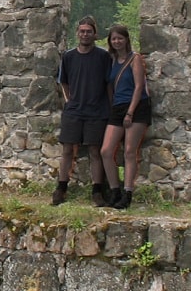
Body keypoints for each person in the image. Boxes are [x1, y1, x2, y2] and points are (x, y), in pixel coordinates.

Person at [53, 16, 112, 206]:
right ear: (77, 33)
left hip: (97, 110)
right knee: (67, 149)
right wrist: (68, 100)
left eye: (89, 31)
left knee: (95, 150)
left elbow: (109, 84)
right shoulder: (69, 57)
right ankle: (61, 188)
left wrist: (110, 107)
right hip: (74, 110)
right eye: (82, 31)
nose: (85, 34)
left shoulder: (103, 57)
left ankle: (97, 191)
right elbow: (63, 81)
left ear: (95, 34)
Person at [100, 24, 150, 210]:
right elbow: (109, 85)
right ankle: (115, 190)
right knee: (106, 151)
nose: (117, 41)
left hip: (136, 107)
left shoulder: (134, 59)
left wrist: (130, 111)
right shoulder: (112, 60)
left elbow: (139, 86)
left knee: (129, 151)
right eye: (114, 39)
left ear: (126, 39)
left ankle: (128, 192)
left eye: (120, 38)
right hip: (118, 106)